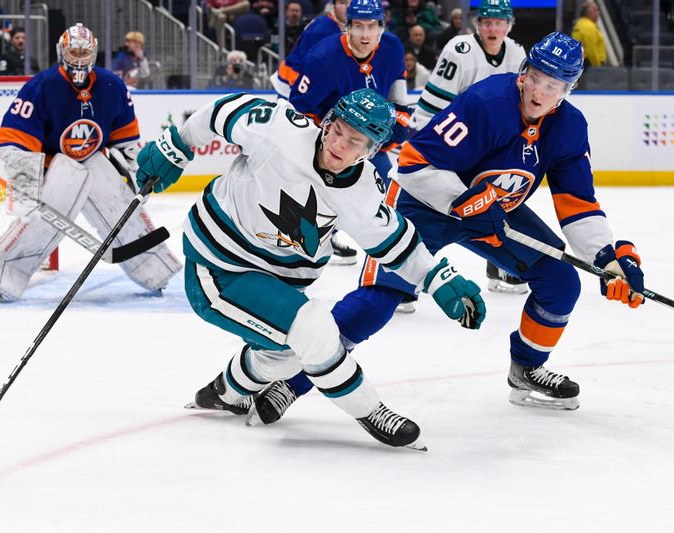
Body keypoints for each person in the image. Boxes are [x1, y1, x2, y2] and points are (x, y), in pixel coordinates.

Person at [252, 32, 647, 426]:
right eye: (538, 77)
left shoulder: (569, 129)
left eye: (555, 85)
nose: (541, 92)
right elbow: (412, 162)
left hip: (491, 213)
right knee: (377, 301)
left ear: (569, 89)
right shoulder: (488, 103)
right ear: (525, 72)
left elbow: (578, 202)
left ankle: (526, 368)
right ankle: (292, 381)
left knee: (561, 281)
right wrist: (464, 205)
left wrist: (605, 257)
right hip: (424, 206)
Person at [135, 88, 485, 449]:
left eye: (354, 141)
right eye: (337, 129)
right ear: (328, 121)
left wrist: (439, 277)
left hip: (277, 282)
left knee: (286, 357)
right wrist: (176, 144)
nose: (338, 144)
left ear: (370, 152)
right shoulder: (278, 128)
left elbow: (396, 242)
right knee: (314, 328)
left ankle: (224, 391)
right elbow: (222, 111)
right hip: (220, 267)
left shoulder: (362, 190)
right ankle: (370, 410)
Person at [0, 23, 181, 301]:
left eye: (84, 52)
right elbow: (16, 138)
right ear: (61, 51)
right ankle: (4, 274)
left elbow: (125, 141)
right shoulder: (42, 86)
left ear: (94, 53)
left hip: (94, 160)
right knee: (42, 220)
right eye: (73, 51)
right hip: (53, 167)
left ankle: (155, 268)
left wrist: (138, 174)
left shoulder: (112, 85)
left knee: (120, 205)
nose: (78, 58)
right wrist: (26, 182)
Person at [408, 0, 527, 295]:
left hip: (490, 148)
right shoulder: (459, 51)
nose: (493, 28)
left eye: (499, 23)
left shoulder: (517, 53)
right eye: (487, 22)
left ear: (508, 25)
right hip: (449, 142)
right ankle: (402, 276)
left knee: (504, 200)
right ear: (478, 24)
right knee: (432, 212)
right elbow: (431, 107)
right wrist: (426, 150)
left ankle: (499, 266)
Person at [289, 0, 411, 264]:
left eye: (371, 27)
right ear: (347, 27)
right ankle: (318, 232)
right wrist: (320, 142)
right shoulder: (323, 56)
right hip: (332, 138)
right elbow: (299, 108)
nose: (365, 35)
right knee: (323, 190)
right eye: (358, 27)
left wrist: (397, 128)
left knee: (385, 194)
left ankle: (387, 257)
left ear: (381, 27)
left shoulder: (392, 48)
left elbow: (398, 97)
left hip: (367, 139)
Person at [269, 0, 349, 99]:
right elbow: (308, 62)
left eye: (351, 3)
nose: (348, 7)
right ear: (333, 6)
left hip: (304, 81)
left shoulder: (338, 25)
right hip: (293, 80)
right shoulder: (322, 28)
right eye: (343, 3)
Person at [571, 1, 606, 68]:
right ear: (590, 12)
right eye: (596, 10)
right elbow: (591, 49)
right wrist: (597, 66)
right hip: (589, 64)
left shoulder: (580, 24)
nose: (598, 13)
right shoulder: (588, 27)